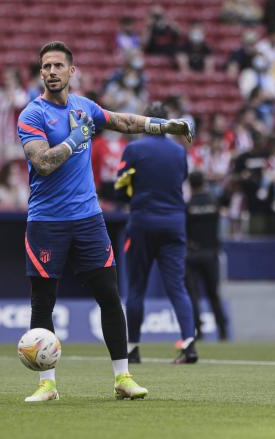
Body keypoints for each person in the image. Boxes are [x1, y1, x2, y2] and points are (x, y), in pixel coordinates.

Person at [17, 41, 194, 402]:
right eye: (45, 66)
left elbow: (124, 121)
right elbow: (43, 163)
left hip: (88, 220)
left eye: (57, 66)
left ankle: (123, 378)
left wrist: (165, 126)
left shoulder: (85, 107)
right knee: (43, 302)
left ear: (71, 71)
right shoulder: (31, 116)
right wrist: (75, 139)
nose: (51, 71)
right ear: (41, 73)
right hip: (47, 221)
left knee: (110, 298)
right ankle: (47, 385)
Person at [114, 101, 198, 365]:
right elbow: (181, 180)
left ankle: (132, 348)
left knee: (137, 288)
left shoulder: (134, 149)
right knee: (177, 286)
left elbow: (120, 187)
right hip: (174, 223)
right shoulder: (178, 151)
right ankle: (189, 344)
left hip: (143, 222)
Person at [185, 171, 229, 340]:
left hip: (193, 254)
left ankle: (198, 331)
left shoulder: (189, 206)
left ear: (190, 185)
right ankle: (223, 330)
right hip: (211, 253)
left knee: (193, 295)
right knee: (213, 294)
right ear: (203, 183)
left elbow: (185, 230)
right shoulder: (213, 203)